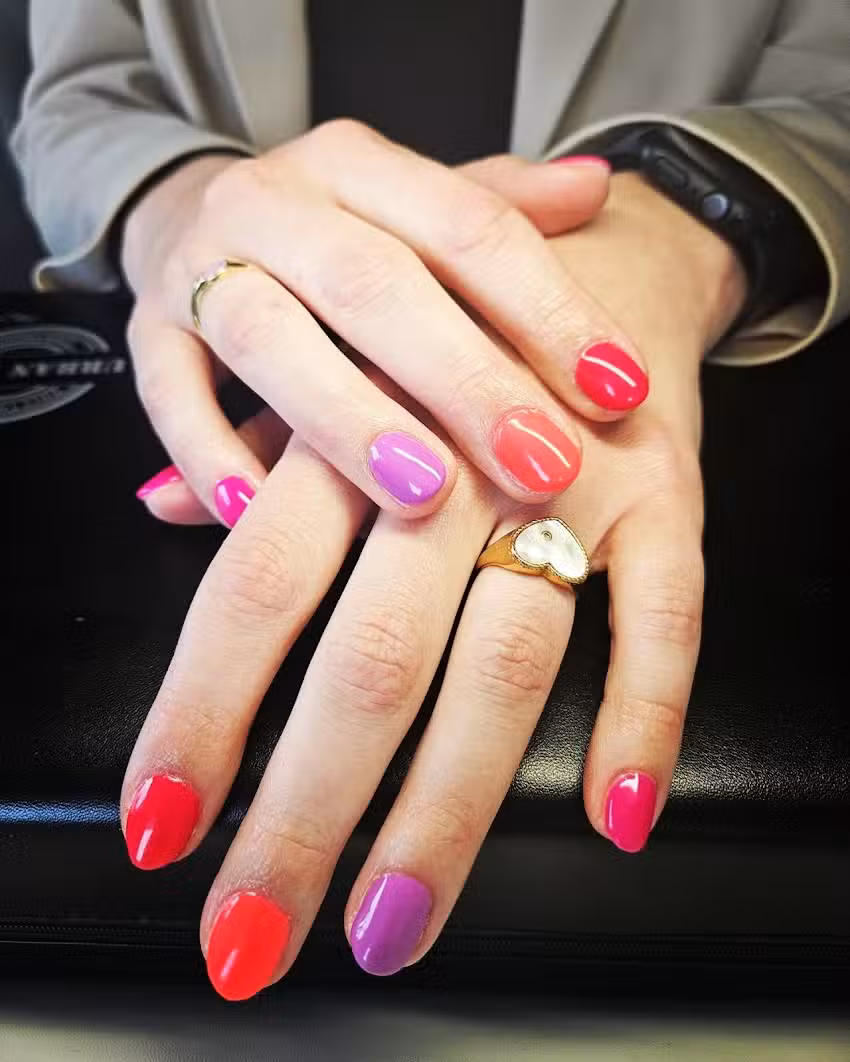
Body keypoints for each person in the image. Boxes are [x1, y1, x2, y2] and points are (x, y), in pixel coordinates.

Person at [11, 0, 850, 1002]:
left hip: (687, 369)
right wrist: (182, 210)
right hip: (261, 342)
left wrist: (677, 224)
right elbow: (80, 98)